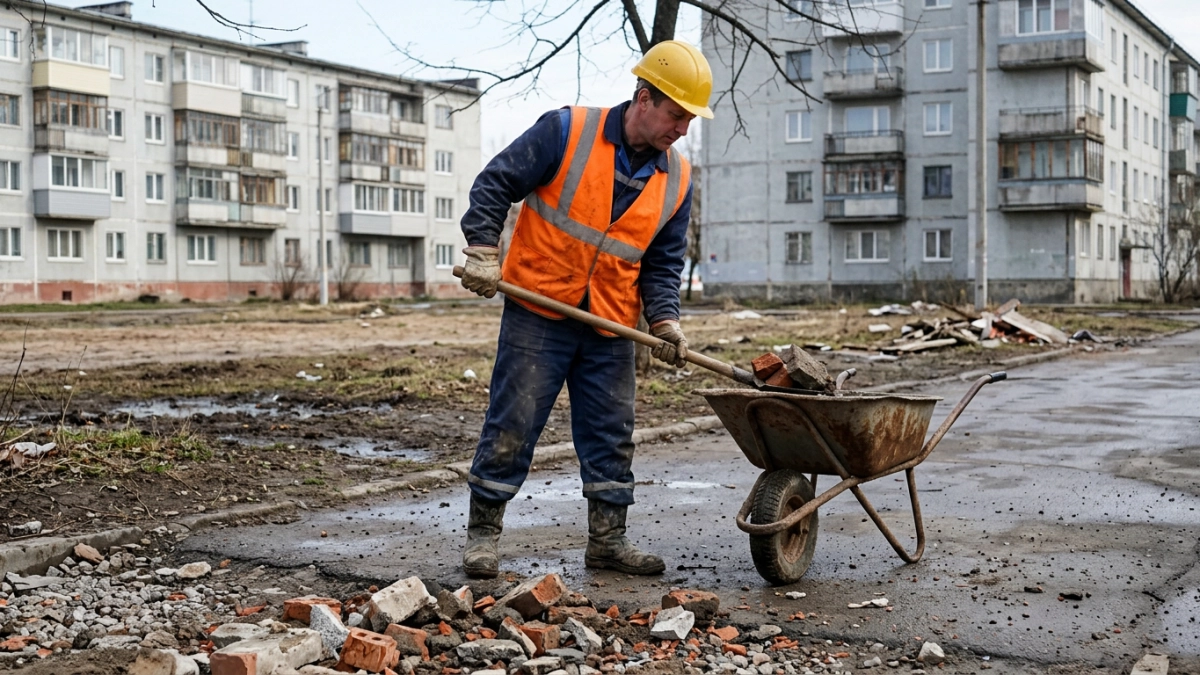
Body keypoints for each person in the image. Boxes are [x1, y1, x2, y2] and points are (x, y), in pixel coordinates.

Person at [456, 40, 713, 579]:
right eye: (676, 115)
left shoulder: (678, 180)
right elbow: (495, 183)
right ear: (644, 97)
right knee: (513, 421)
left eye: (690, 120)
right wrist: (483, 250)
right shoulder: (566, 131)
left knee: (611, 432)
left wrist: (665, 321)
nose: (682, 129)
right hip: (539, 309)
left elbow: (663, 264)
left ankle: (608, 542)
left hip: (610, 324)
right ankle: (483, 537)